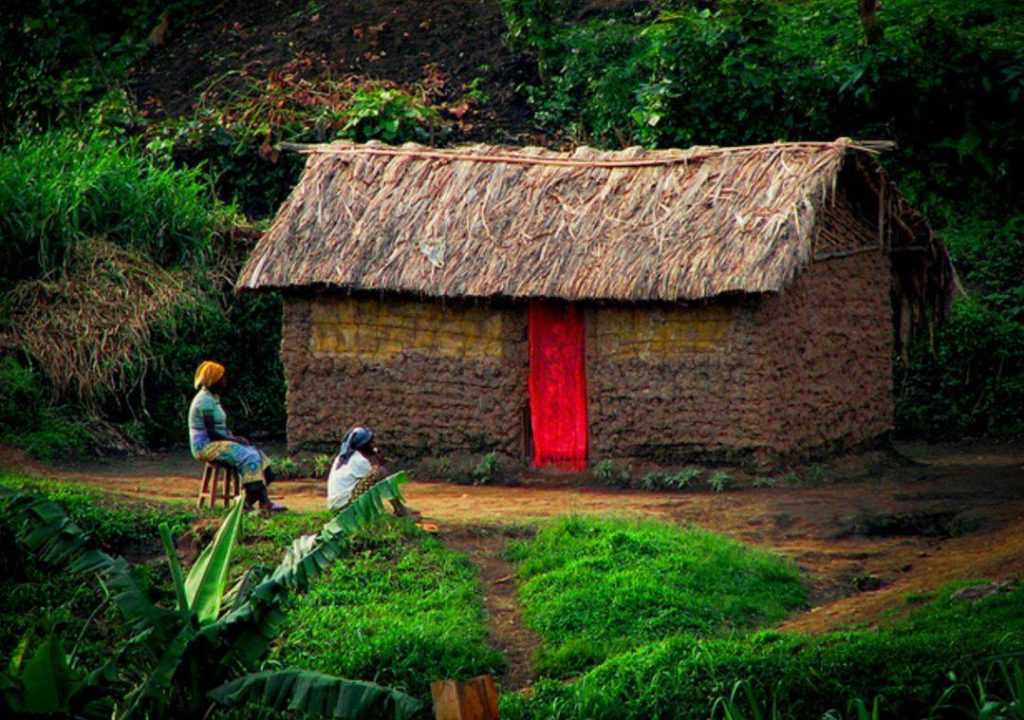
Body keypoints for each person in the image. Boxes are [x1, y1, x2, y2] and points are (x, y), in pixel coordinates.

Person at [188, 361, 285, 512]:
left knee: (257, 455)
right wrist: (234, 440)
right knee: (247, 457)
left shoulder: (213, 397)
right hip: (206, 446)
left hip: (217, 442)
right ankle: (247, 503)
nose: (224, 382)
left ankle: (262, 501)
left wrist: (235, 439)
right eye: (222, 379)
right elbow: (212, 432)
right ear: (214, 380)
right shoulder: (204, 400)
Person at [327, 426, 414, 517]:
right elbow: (378, 481)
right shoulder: (359, 460)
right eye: (371, 443)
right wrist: (380, 464)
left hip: (336, 505)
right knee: (381, 472)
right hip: (344, 506)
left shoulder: (342, 457)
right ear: (364, 445)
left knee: (378, 473)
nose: (373, 445)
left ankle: (399, 509)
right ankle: (400, 509)